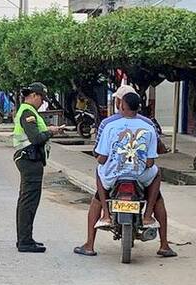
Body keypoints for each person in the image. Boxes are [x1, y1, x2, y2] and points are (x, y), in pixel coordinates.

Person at [74, 86, 176, 258]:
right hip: (140, 176)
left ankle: (100, 224)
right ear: (138, 106)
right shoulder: (149, 126)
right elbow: (151, 161)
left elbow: (101, 158)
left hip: (114, 176)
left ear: (121, 105)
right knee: (157, 177)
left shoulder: (109, 125)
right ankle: (154, 227)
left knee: (99, 175)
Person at [13, 82, 64, 253]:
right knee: (29, 201)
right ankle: (25, 241)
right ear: (34, 95)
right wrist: (51, 132)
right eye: (41, 97)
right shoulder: (28, 112)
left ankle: (25, 238)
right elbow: (35, 138)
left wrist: (48, 129)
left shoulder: (29, 111)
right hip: (30, 159)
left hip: (30, 158)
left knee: (26, 200)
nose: (43, 102)